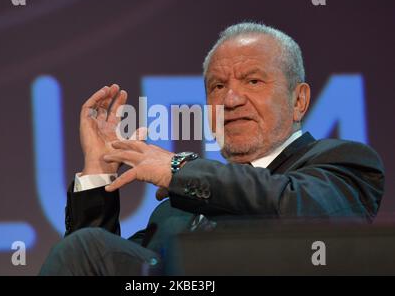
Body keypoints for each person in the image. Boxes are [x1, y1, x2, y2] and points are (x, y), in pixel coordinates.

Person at [39, 22, 385, 276]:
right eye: (217, 86)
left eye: (253, 81)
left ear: (299, 101)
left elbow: (308, 212)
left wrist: (178, 169)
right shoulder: (174, 213)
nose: (231, 100)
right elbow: (96, 265)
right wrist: (99, 169)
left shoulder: (343, 164)